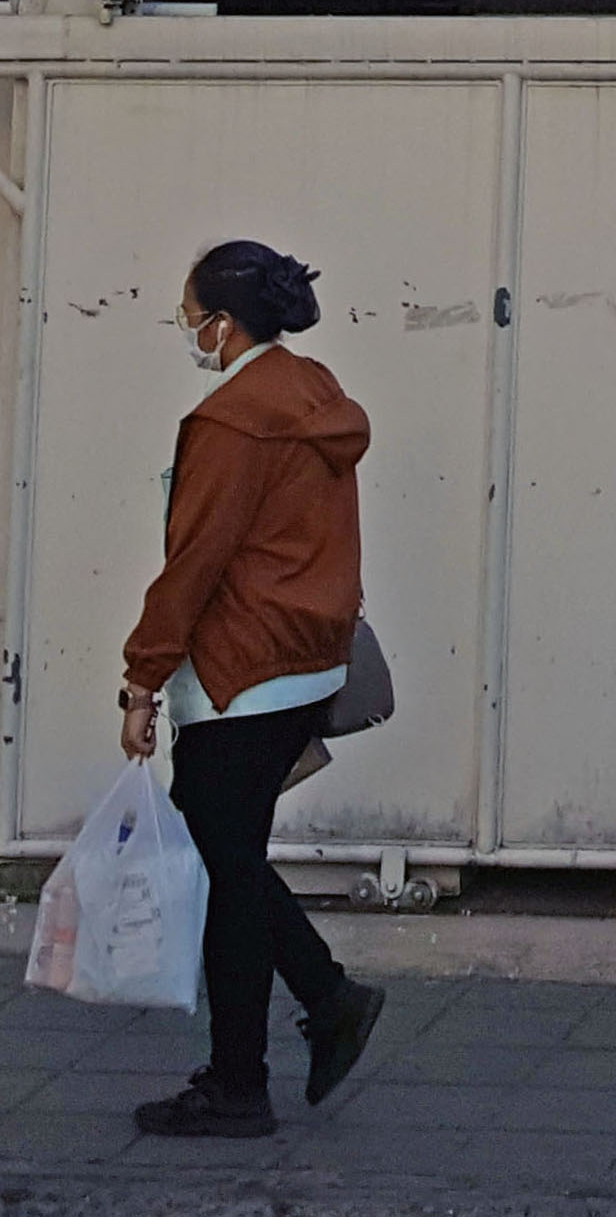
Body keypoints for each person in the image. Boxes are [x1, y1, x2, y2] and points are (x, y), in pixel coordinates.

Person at [117, 240, 385, 1142]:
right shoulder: (315, 394)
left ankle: (247, 1077)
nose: (186, 330)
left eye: (188, 315)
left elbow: (196, 561)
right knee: (227, 854)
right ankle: (317, 1005)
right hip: (308, 660)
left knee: (224, 869)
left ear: (221, 324)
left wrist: (142, 677)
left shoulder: (232, 421)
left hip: (241, 670)